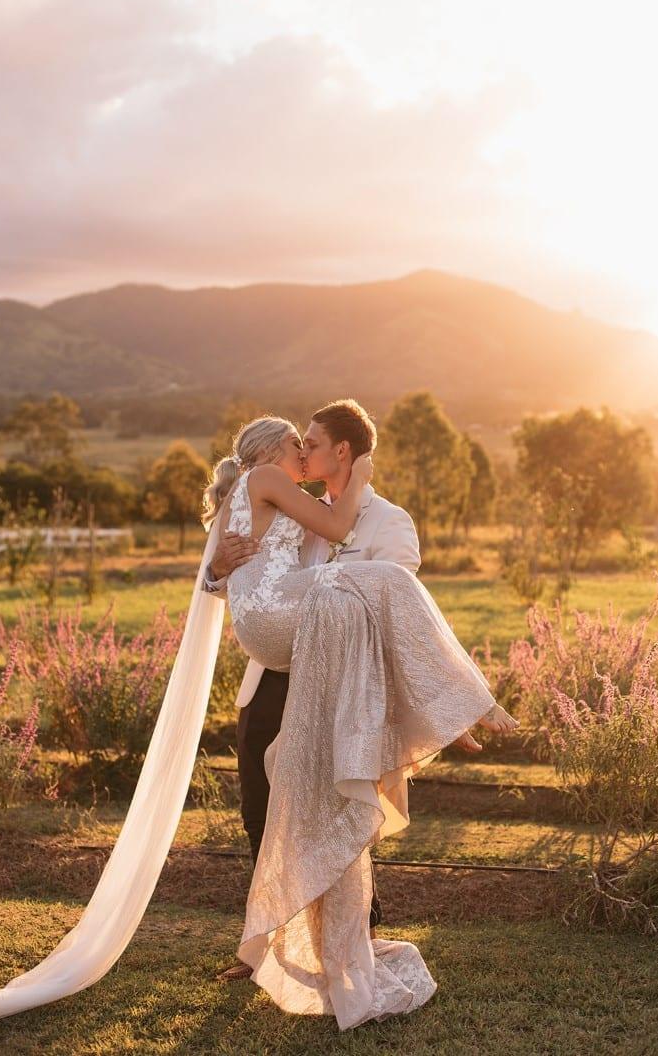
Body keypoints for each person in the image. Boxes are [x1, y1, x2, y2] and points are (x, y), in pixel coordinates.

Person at [204, 414, 518, 1030]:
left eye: (312, 444)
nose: (304, 452)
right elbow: (233, 577)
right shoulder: (290, 494)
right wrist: (218, 565)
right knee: (263, 809)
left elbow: (393, 606)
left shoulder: (386, 519)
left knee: (343, 810)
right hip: (276, 674)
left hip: (344, 686)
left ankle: (351, 942)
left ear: (341, 451)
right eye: (300, 444)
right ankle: (270, 938)